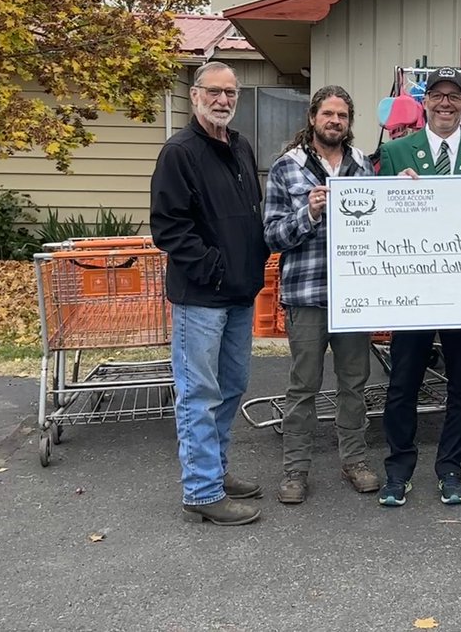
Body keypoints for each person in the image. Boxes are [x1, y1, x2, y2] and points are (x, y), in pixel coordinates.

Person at [377, 66, 461, 507]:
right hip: (412, 289)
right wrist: (392, 193)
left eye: (454, 96)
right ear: (425, 102)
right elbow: (378, 220)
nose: (446, 103)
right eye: (438, 95)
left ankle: (451, 467)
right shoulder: (396, 153)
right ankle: (398, 469)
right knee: (403, 384)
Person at [150, 62, 270, 526]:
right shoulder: (179, 152)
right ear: (195, 96)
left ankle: (215, 472)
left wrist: (250, 262)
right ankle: (200, 490)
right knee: (198, 392)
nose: (223, 100)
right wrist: (215, 270)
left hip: (239, 293)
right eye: (214, 92)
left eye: (231, 92)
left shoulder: (238, 145)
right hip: (201, 297)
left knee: (232, 386)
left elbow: (248, 214)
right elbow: (169, 228)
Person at [264, 85, 380, 505]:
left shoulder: (363, 165)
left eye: (343, 116)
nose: (335, 121)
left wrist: (403, 192)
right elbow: (272, 236)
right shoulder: (286, 168)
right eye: (328, 114)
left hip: (353, 296)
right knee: (303, 386)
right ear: (313, 118)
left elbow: (382, 221)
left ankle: (355, 460)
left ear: (349, 123)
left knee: (355, 383)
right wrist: (308, 213)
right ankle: (295, 469)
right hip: (307, 294)